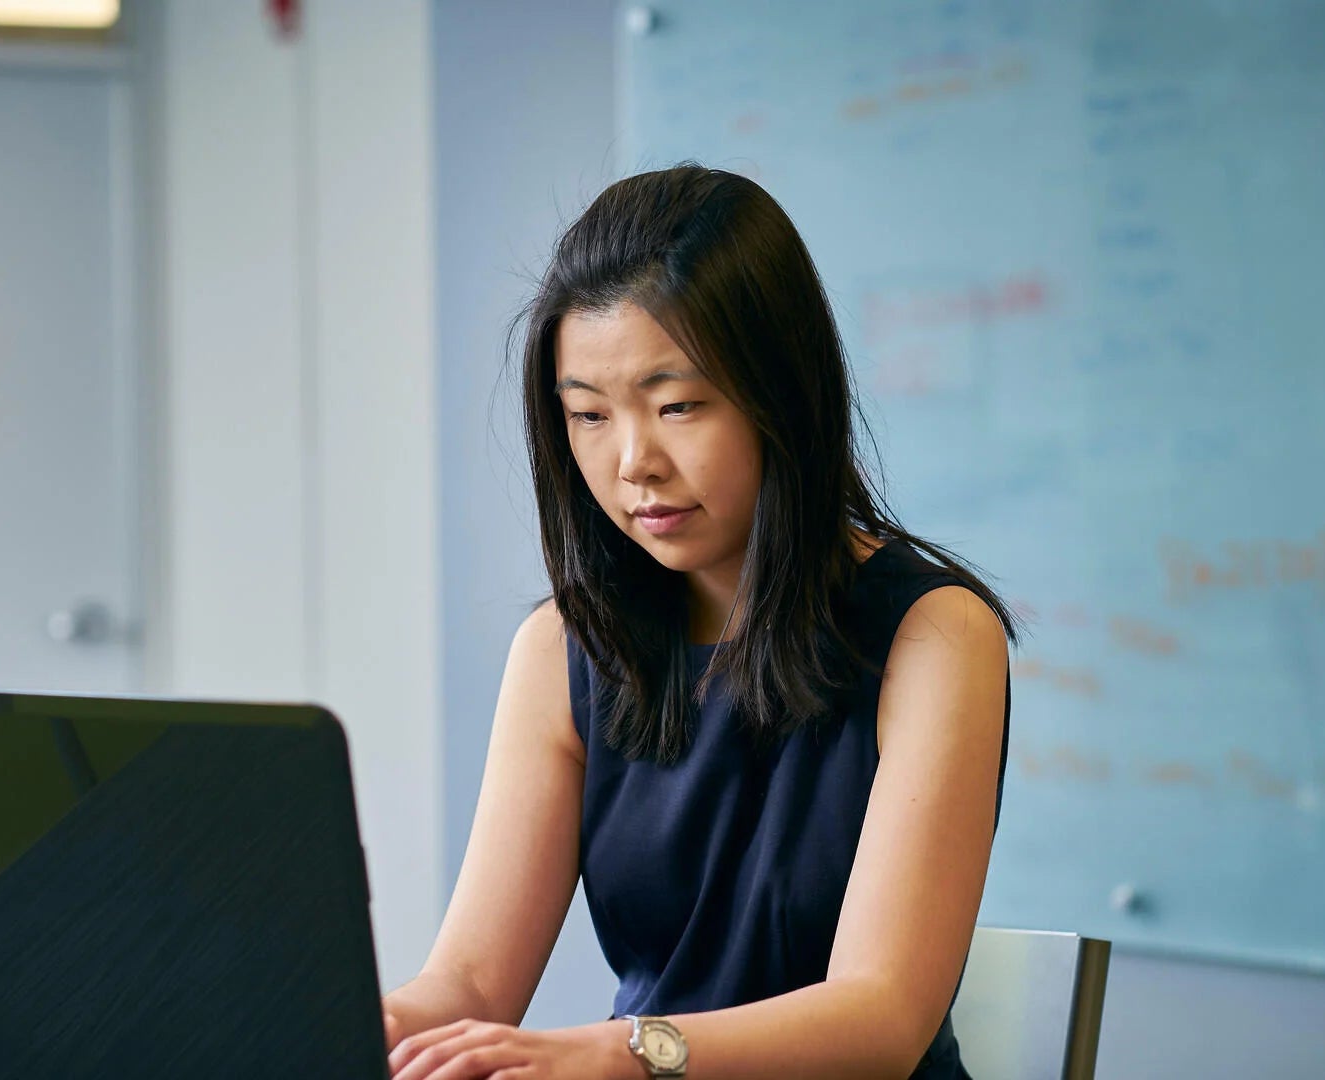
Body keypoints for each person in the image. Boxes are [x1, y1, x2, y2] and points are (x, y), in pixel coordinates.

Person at [381, 164, 1017, 1080]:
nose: (634, 462)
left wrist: (628, 1051)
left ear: (780, 397)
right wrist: (360, 1021)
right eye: (589, 416)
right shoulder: (564, 648)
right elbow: (472, 985)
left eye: (677, 405)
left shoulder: (934, 636)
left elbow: (882, 1018)